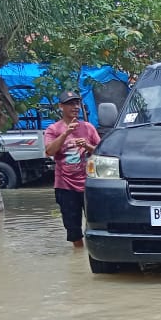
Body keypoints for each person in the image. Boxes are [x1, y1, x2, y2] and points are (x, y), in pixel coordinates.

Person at [44, 90, 100, 247]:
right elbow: (49, 151)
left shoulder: (88, 127)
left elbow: (102, 152)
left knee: (96, 222)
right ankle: (78, 254)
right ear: (61, 106)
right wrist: (65, 134)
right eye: (70, 104)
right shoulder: (53, 129)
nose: (75, 107)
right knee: (73, 228)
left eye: (77, 103)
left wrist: (87, 146)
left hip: (88, 184)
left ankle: (93, 255)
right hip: (65, 186)